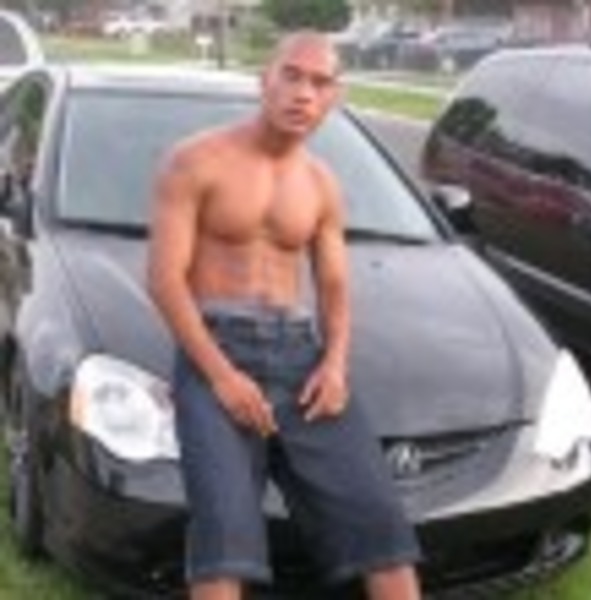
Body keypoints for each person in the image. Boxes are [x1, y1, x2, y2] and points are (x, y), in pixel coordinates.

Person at [148, 31, 422, 600]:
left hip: (302, 358)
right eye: (292, 76)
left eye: (320, 83)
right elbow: (165, 280)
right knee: (224, 536)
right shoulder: (195, 161)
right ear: (264, 81)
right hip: (215, 352)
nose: (304, 93)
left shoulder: (321, 184)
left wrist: (336, 365)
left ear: (334, 97)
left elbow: (335, 286)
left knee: (380, 527)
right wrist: (222, 378)